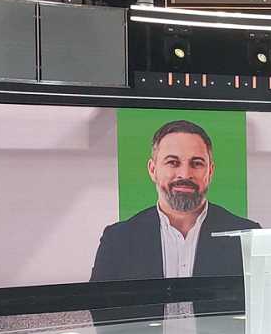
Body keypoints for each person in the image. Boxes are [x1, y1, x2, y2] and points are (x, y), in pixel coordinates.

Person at [91, 119, 260, 282]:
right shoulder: (117, 240)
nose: (185, 174)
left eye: (197, 163)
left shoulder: (249, 237)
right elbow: (100, 301)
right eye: (173, 162)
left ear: (210, 172)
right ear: (153, 170)